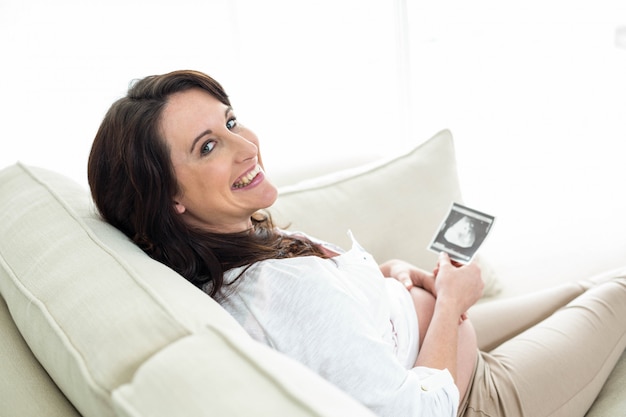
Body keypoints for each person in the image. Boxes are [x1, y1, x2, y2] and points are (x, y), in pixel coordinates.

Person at [88, 69, 626, 417]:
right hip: (467, 396)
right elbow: (413, 413)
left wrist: (390, 275)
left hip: (428, 336)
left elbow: (335, 336)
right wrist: (454, 305)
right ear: (168, 198)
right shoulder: (276, 290)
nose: (245, 145)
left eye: (230, 121)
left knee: (585, 287)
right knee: (619, 294)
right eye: (208, 146)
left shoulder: (239, 241)